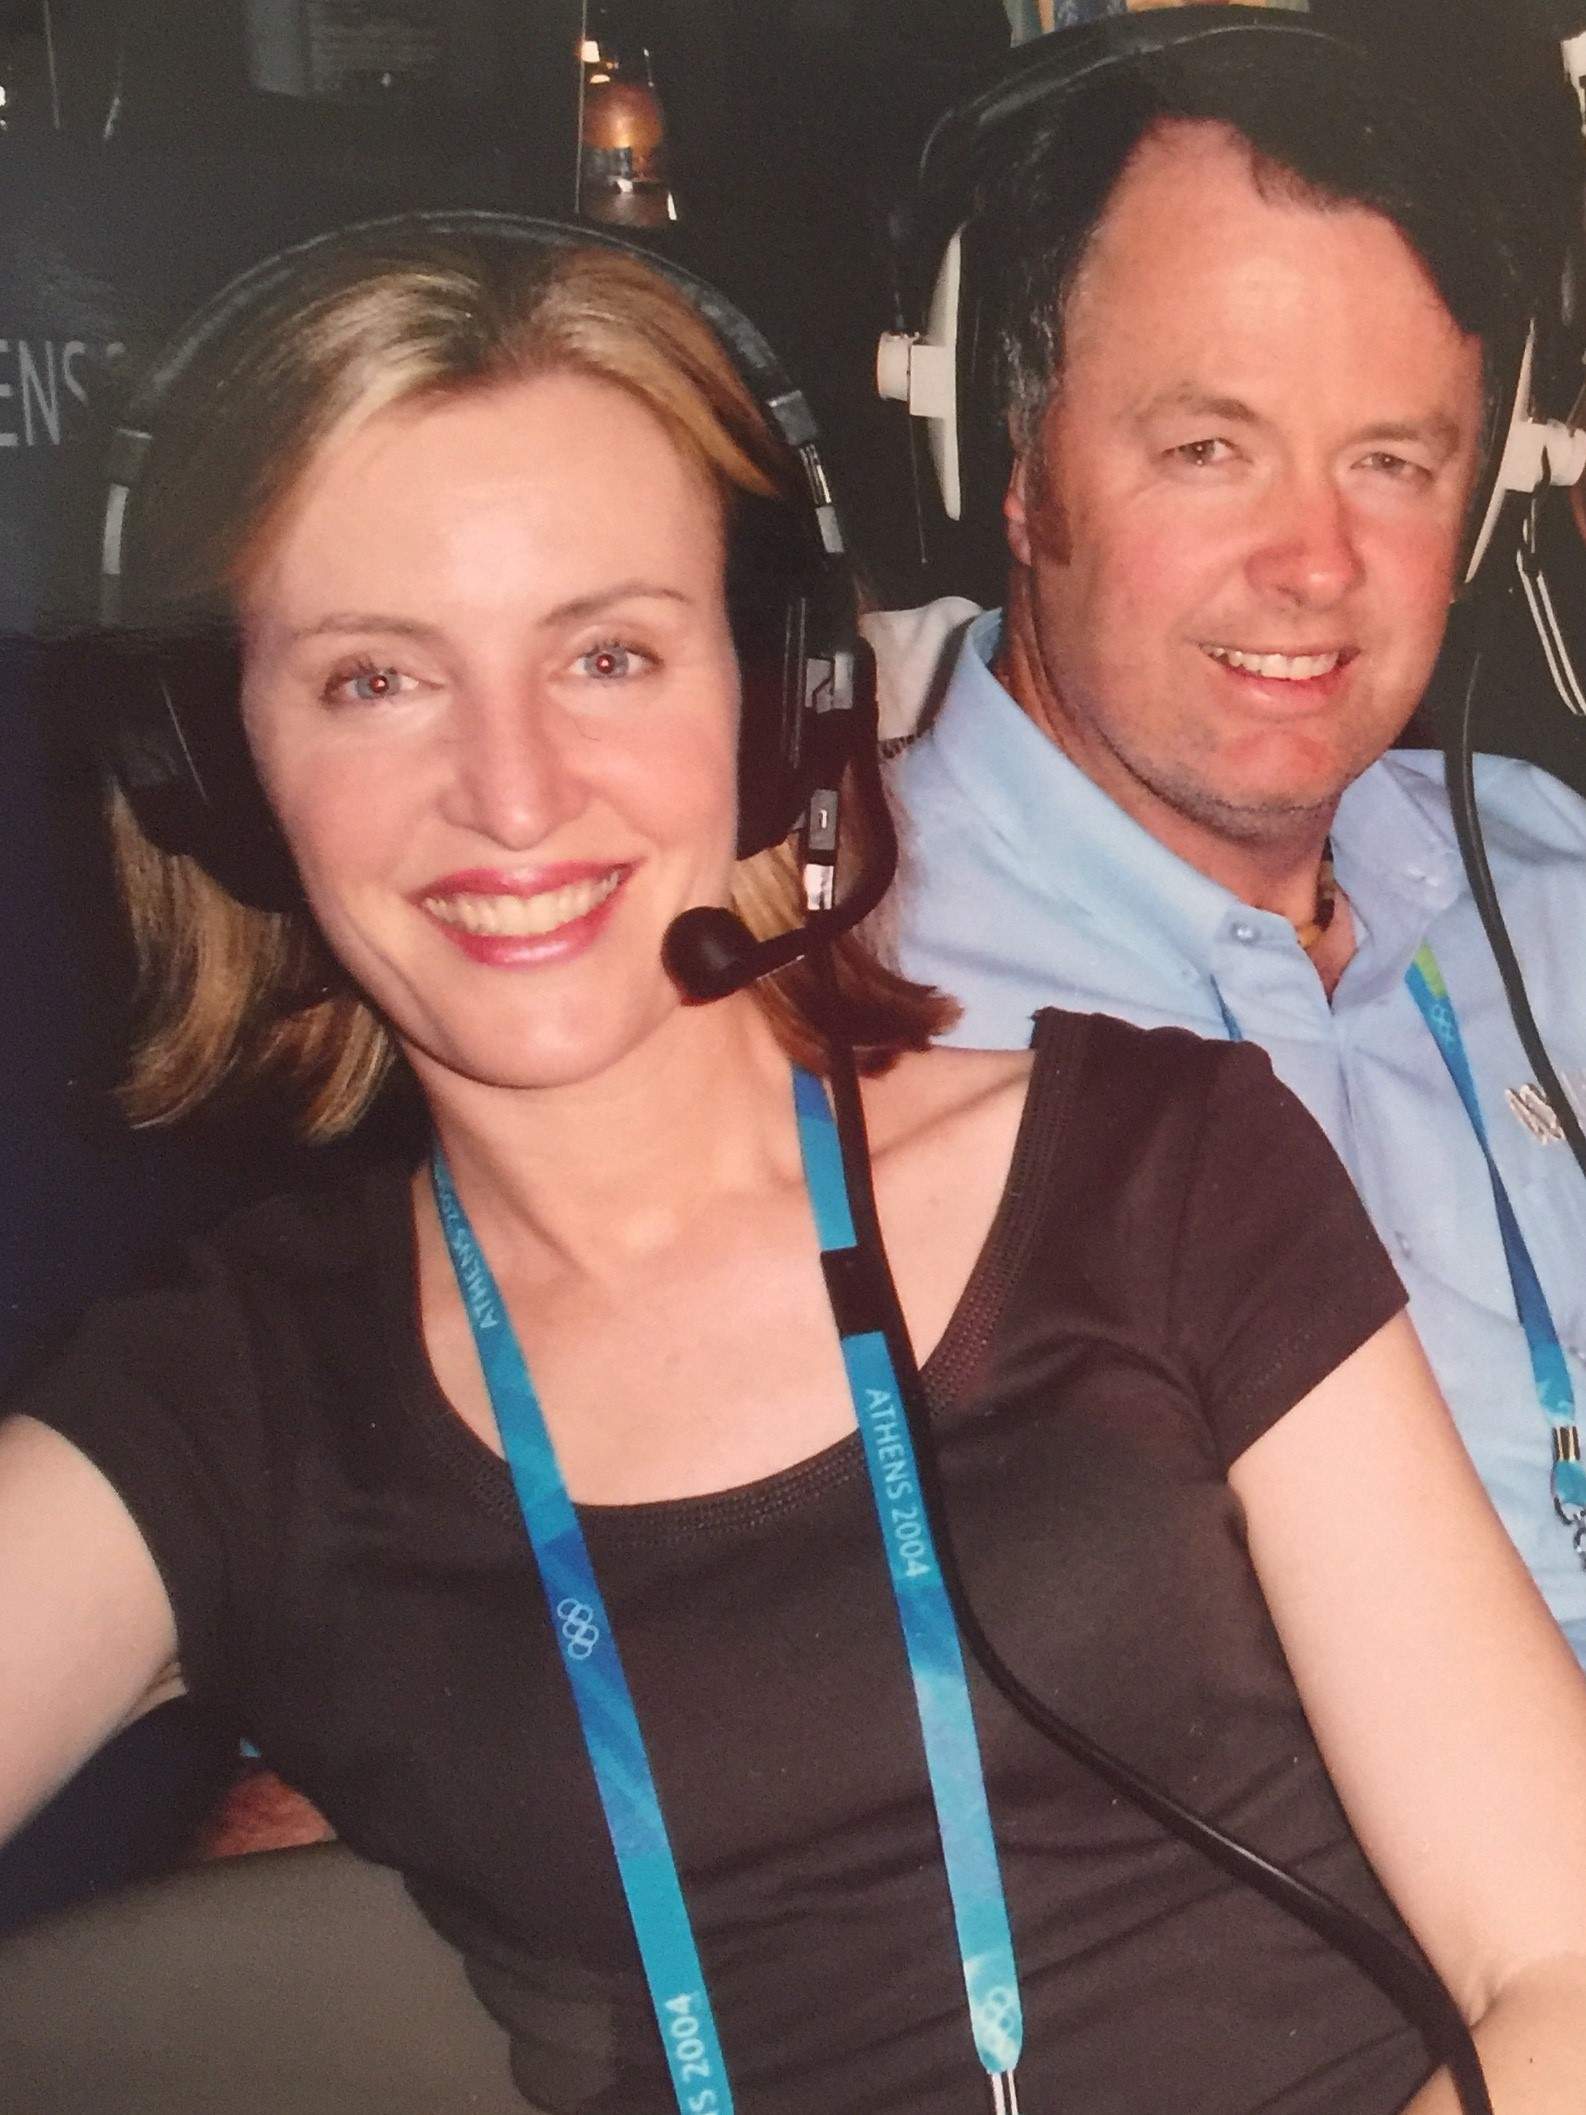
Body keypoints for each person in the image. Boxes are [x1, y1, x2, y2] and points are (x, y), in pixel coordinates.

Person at [2, 214, 1586, 2115]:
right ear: (209, 763)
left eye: (605, 652)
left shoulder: (1157, 1166)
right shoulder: (224, 1403)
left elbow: (1554, 1960)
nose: (510, 791)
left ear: (779, 704)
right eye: (371, 679)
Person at [883, 14, 1586, 1668]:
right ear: (1013, 465)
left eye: (1391, 463)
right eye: (1208, 448)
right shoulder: (817, 999)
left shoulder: (1546, 881)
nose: (1313, 564)